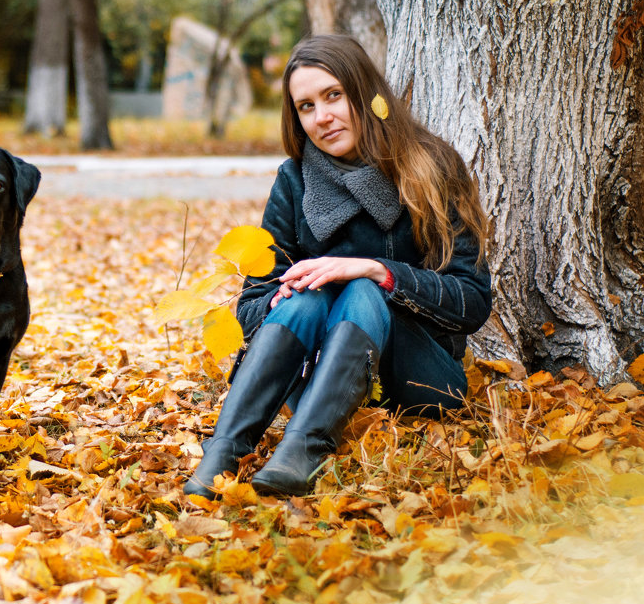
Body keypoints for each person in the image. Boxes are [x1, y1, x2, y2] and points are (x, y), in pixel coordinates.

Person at [184, 35, 492, 499]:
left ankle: (305, 448)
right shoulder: (294, 181)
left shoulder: (432, 167)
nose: (322, 116)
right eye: (305, 106)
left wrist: (376, 271)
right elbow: (250, 308)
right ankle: (225, 452)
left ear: (365, 93)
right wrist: (285, 294)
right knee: (308, 294)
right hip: (314, 380)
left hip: (420, 379)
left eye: (333, 95)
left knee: (363, 290)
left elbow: (472, 300)